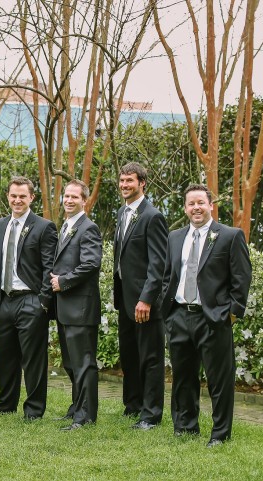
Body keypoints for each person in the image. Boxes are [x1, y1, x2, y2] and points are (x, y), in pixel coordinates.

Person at [161, 184, 251, 447]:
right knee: (183, 376)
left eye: (201, 202)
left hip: (213, 318)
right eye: (191, 203)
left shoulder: (229, 236)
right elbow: (169, 276)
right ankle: (186, 427)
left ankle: (220, 434)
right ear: (186, 208)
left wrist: (231, 314)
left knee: (219, 379)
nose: (196, 208)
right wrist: (167, 313)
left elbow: (241, 278)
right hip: (179, 316)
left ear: (210, 205)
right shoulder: (175, 237)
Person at [0, 176, 57, 421]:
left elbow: (49, 267)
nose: (17, 200)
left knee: (33, 359)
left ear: (31, 197)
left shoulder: (44, 227)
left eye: (22, 196)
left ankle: (33, 410)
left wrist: (43, 302)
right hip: (4, 300)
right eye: (13, 195)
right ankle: (5, 404)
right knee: (4, 356)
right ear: (8, 196)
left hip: (30, 300)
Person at [113, 162, 168, 430]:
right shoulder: (123, 213)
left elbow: (158, 263)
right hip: (125, 300)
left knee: (150, 359)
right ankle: (132, 405)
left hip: (145, 303)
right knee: (130, 356)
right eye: (122, 181)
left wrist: (146, 299)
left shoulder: (152, 216)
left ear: (142, 183)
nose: (124, 185)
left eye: (130, 181)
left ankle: (151, 414)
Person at [50, 180, 102, 431]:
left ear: (85, 200)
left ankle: (86, 416)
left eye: (74, 197)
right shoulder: (67, 226)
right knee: (71, 363)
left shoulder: (88, 228)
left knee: (83, 364)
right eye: (66, 196)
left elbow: (91, 264)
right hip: (65, 308)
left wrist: (63, 281)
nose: (69, 200)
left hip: (80, 308)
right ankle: (76, 407)